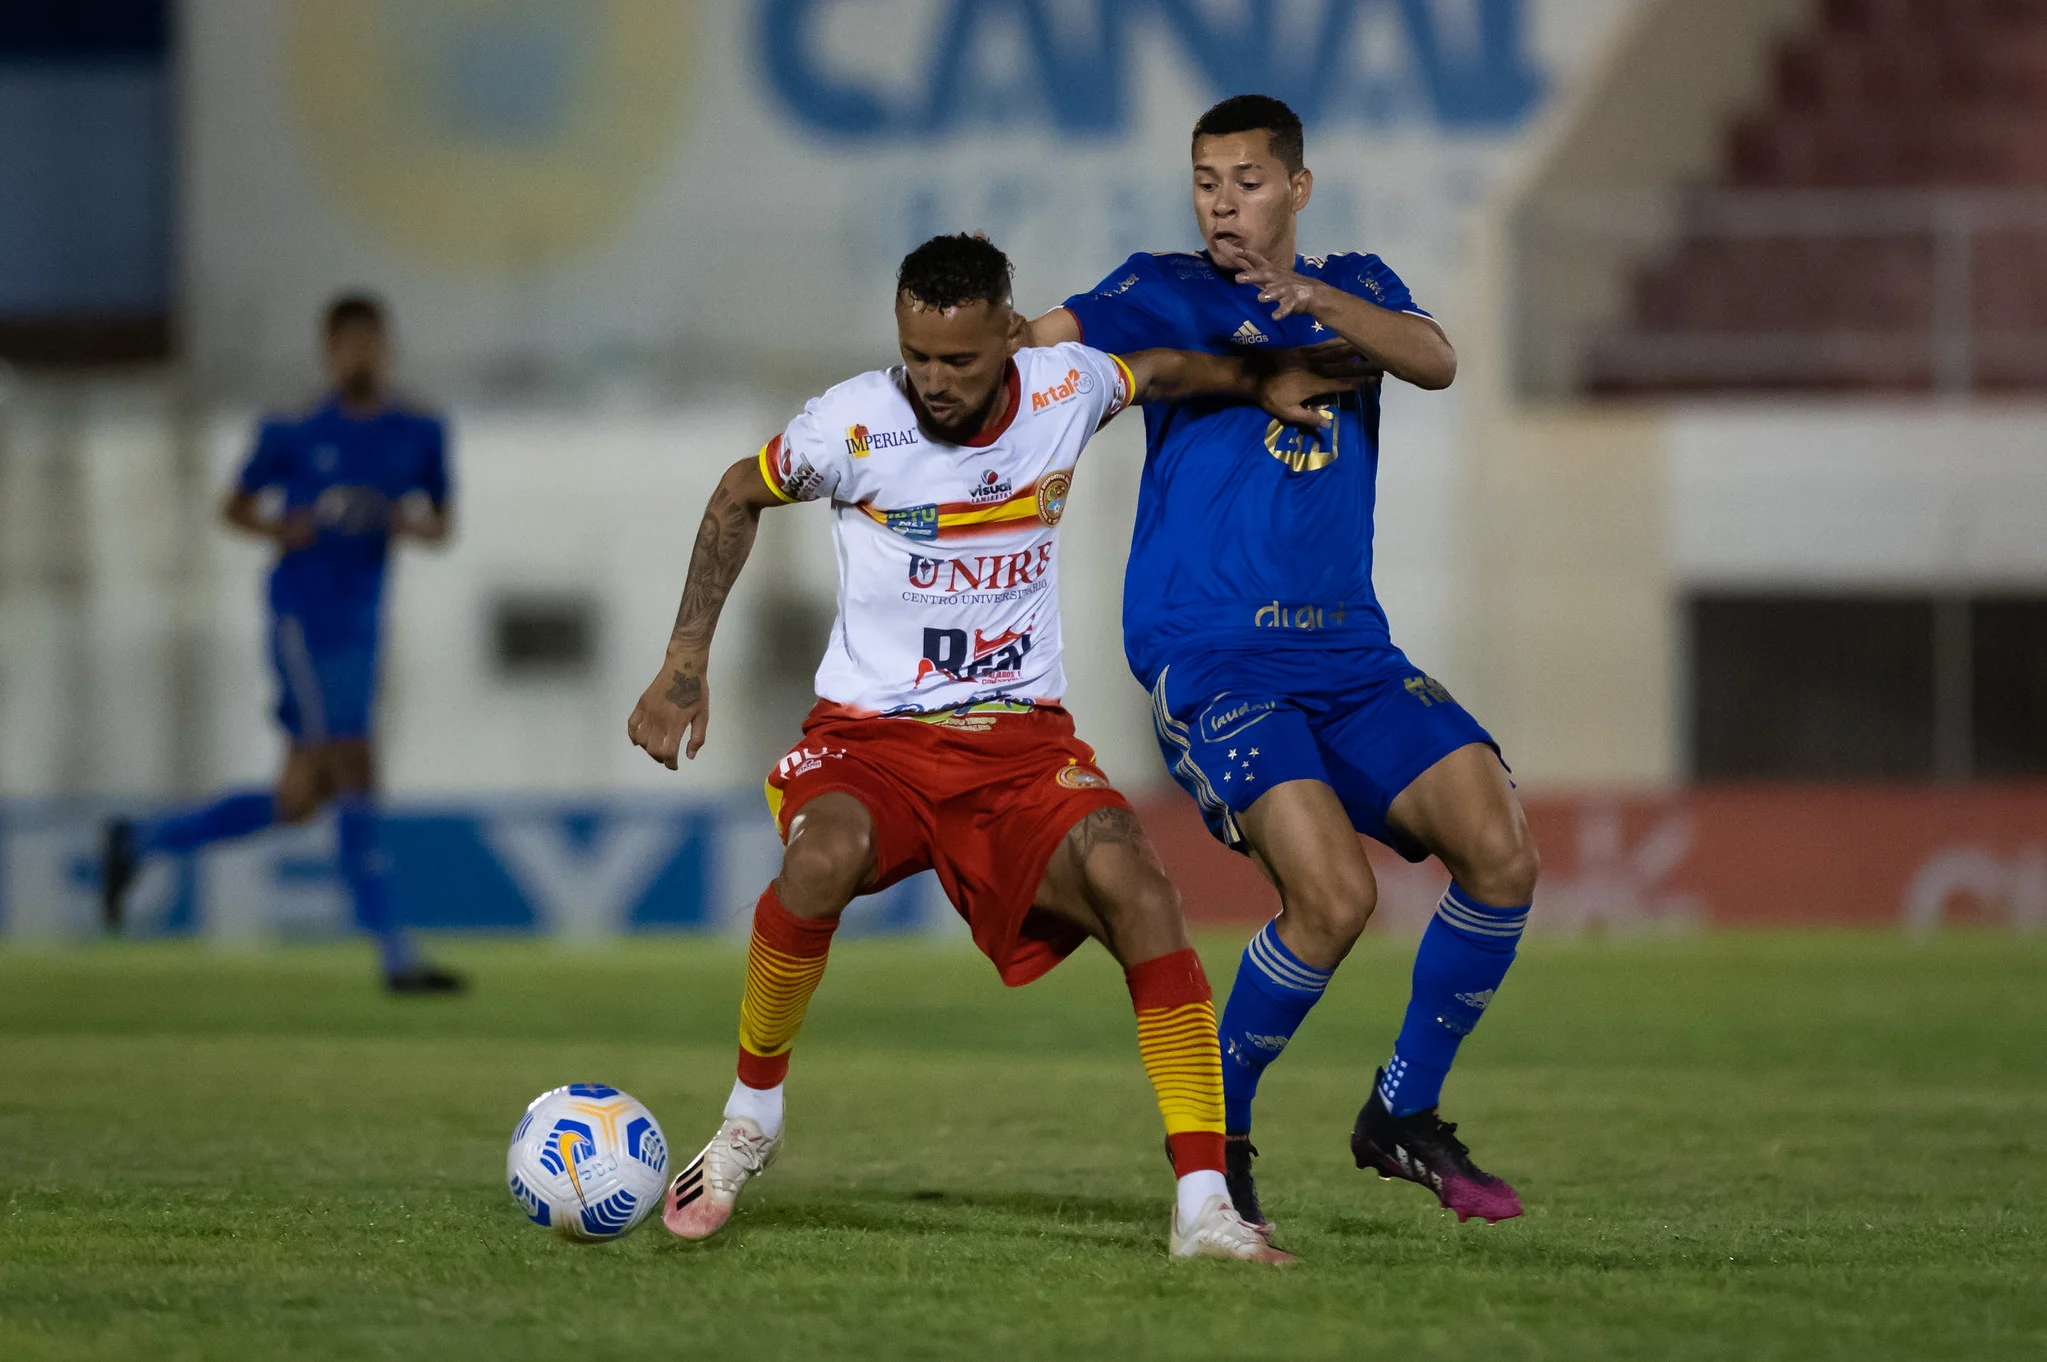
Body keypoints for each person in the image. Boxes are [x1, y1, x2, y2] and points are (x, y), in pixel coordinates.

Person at [626, 233, 1334, 1262]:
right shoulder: (850, 424)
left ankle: (1201, 1207)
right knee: (816, 862)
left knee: (1141, 892)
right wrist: (685, 660)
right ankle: (749, 1119)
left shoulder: (1064, 390)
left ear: (1009, 335)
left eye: (958, 360)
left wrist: (1258, 377)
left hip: (1019, 748)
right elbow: (738, 490)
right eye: (917, 356)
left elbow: (1162, 372)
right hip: (872, 743)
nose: (935, 382)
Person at [1025, 94, 1539, 1234]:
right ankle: (1220, 1140)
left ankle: (1400, 1113)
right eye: (1206, 179)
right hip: (1213, 653)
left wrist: (1314, 300)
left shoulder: (1357, 283)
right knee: (1334, 898)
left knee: (1499, 851)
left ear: (1296, 188)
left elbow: (1438, 360)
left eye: (1247, 180)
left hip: (1349, 650)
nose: (1222, 201)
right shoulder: (1156, 287)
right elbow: (1033, 348)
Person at [101, 294, 463, 995]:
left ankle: (139, 841)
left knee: (299, 797)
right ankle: (395, 957)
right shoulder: (293, 431)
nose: (360, 355)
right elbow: (234, 506)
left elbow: (442, 525)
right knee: (355, 765)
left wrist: (393, 518)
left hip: (362, 623)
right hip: (301, 618)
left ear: (386, 349)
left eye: (371, 343)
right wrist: (283, 529)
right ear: (328, 351)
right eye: (347, 343)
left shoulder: (418, 431)